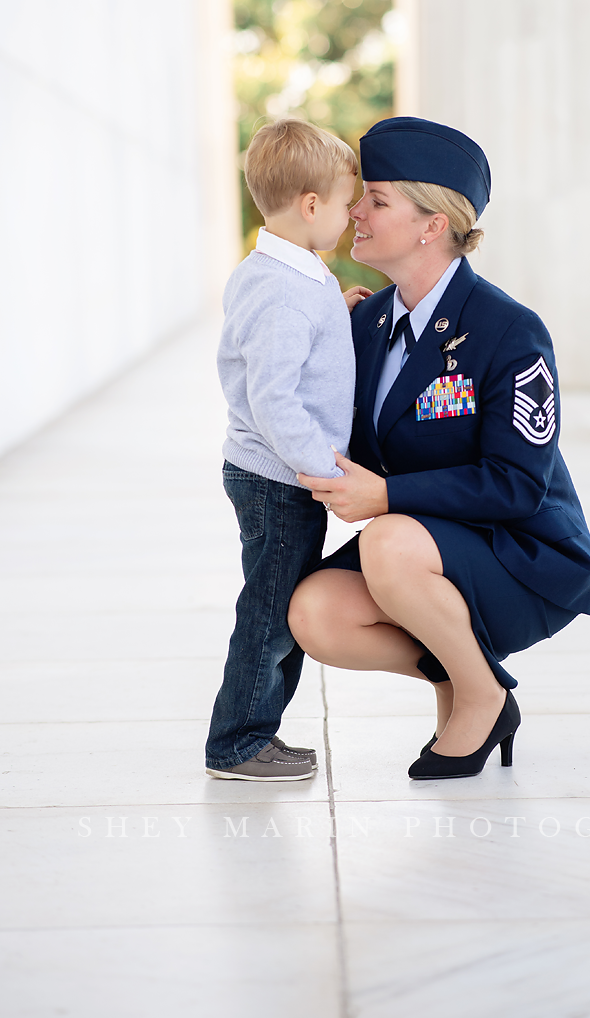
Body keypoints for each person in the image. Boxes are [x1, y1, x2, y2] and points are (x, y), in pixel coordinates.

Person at [288, 117, 590, 780]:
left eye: (377, 200)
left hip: (521, 553)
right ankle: (465, 673)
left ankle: (480, 696)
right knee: (315, 613)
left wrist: (386, 496)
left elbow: (518, 485)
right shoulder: (367, 322)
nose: (356, 213)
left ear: (432, 225)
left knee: (386, 540)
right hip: (421, 554)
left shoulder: (508, 329)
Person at [205, 118, 371, 782]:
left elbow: (301, 347)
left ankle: (253, 732)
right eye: (343, 203)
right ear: (309, 205)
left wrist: (341, 316)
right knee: (272, 614)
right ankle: (238, 742)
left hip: (278, 477)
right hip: (279, 480)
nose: (350, 215)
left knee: (278, 608)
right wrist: (326, 470)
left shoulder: (292, 276)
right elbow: (275, 398)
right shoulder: (284, 293)